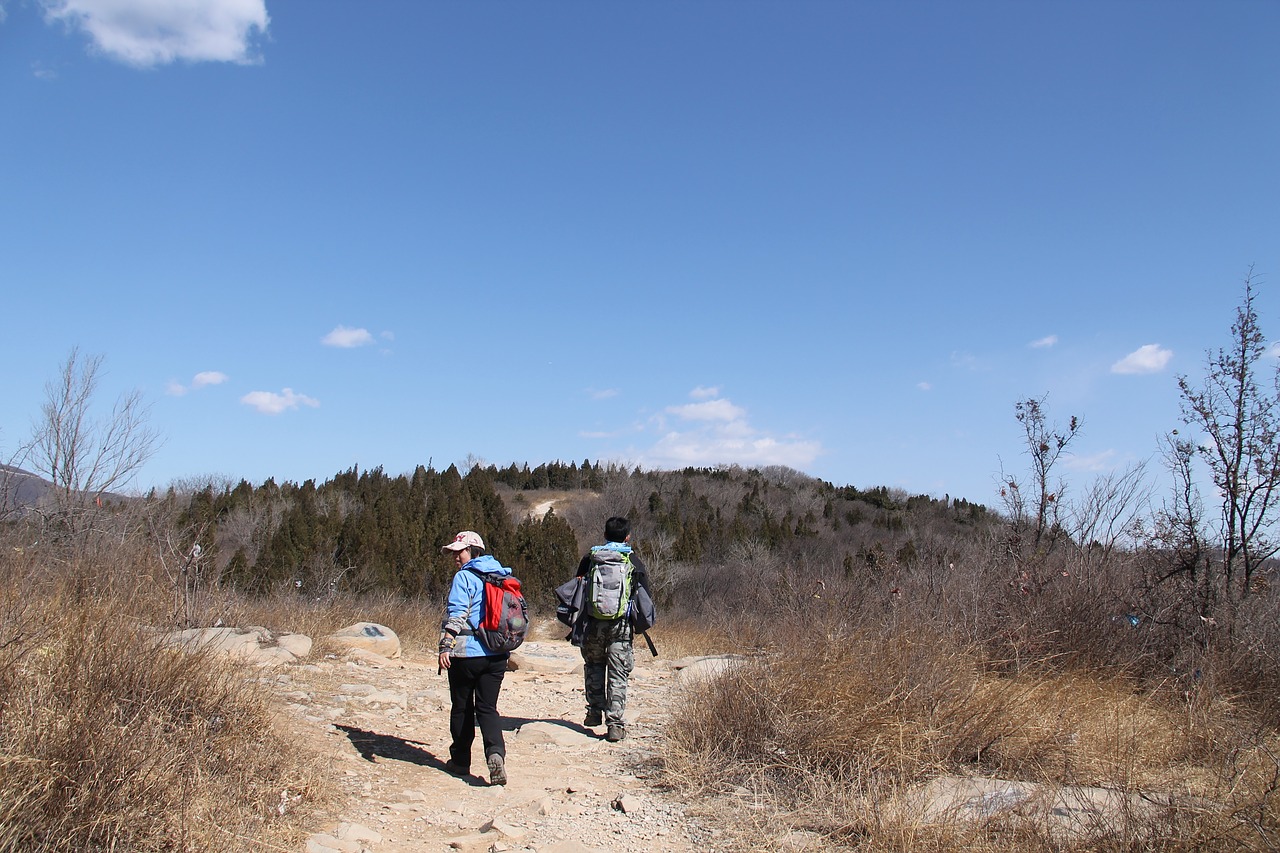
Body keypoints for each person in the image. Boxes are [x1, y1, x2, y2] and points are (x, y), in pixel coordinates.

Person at [438, 530, 511, 786]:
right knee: (488, 708)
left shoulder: (464, 577)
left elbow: (457, 612)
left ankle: (460, 762)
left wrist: (446, 645)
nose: (456, 557)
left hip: (466, 653)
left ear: (472, 551)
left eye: (459, 552)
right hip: (497, 653)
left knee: (462, 707)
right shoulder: (503, 574)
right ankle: (495, 754)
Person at [573, 516, 652, 743]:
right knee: (618, 672)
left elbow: (578, 586)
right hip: (621, 625)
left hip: (593, 623)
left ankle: (594, 712)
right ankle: (615, 725)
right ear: (627, 537)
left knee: (594, 666)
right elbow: (644, 596)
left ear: (604, 535)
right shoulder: (632, 560)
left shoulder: (591, 558)